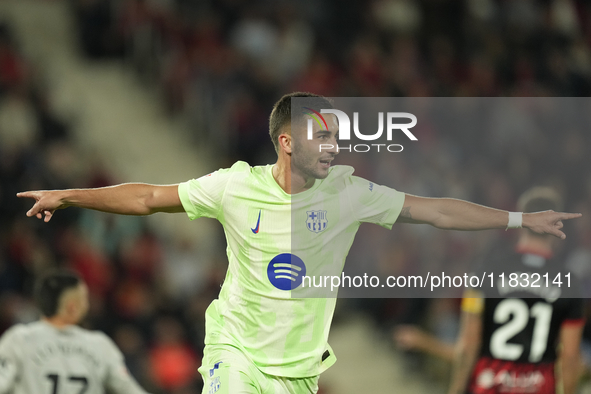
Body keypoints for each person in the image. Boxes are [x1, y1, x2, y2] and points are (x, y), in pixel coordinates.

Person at [17, 92, 581, 394]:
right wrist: (69, 195)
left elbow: (433, 211)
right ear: (287, 142)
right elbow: (146, 197)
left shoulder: (350, 192)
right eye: (322, 136)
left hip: (298, 371)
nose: (333, 145)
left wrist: (514, 220)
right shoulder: (234, 185)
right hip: (235, 352)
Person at [448, 187, 585, 394]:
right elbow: (570, 356)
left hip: (488, 383)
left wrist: (456, 389)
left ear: (522, 220)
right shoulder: (570, 283)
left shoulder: (486, 270)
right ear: (558, 224)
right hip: (538, 386)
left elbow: (468, 341)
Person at [0, 269, 150, 394]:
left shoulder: (19, 340)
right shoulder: (99, 344)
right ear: (72, 306)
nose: (87, 304)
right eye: (84, 299)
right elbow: (129, 389)